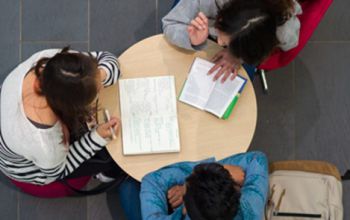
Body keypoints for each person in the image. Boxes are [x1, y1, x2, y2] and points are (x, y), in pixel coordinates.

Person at [0, 47, 140, 219]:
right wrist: (95, 139)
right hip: (34, 169)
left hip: (15, 139)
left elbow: (106, 58)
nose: (101, 89)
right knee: (109, 158)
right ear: (72, 107)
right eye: (97, 91)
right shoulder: (46, 144)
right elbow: (57, 171)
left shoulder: (53, 64)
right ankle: (102, 174)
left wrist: (99, 76)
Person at [162, 0, 302, 82]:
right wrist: (192, 39)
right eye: (221, 34)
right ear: (221, 16)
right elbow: (170, 23)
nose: (220, 43)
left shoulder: (284, 31)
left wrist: (236, 56)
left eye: (226, 43)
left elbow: (289, 43)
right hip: (200, 26)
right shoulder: (208, 2)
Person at [140, 151, 269, 219]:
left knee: (128, 184)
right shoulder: (251, 204)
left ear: (185, 208)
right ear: (236, 192)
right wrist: (217, 171)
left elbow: (151, 181)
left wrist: (216, 167)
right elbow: (257, 159)